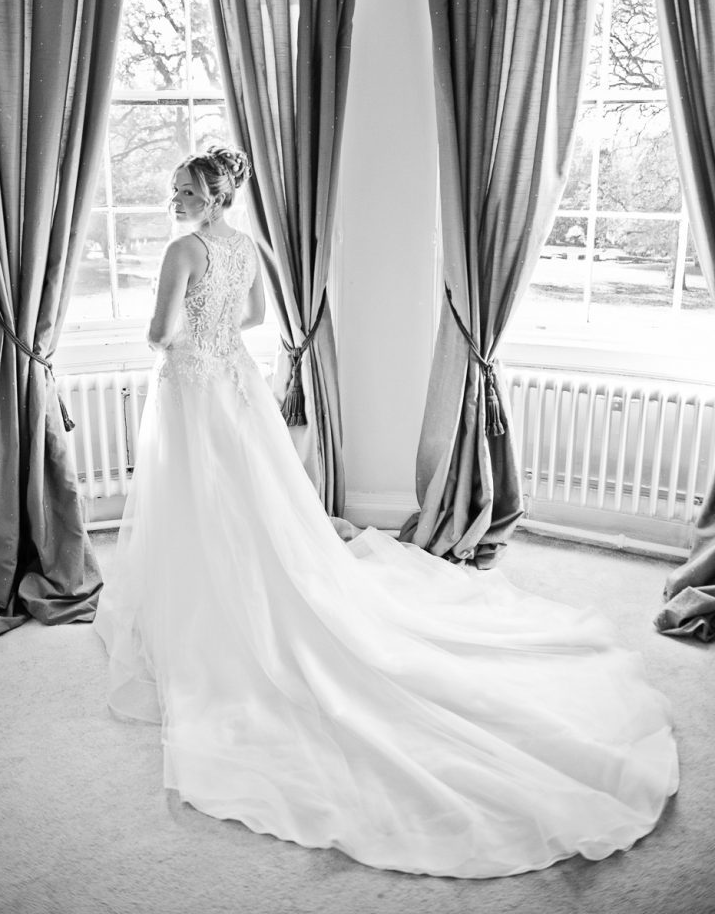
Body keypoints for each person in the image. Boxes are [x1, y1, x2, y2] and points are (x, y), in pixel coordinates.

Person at [94, 146, 678, 880]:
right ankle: (235, 591)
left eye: (183, 191)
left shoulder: (184, 249)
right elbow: (251, 314)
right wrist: (215, 344)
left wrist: (187, 344)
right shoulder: (245, 245)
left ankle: (206, 613)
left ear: (212, 199)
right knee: (252, 501)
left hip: (193, 389)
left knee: (203, 501)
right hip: (233, 386)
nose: (172, 198)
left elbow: (157, 333)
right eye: (174, 190)